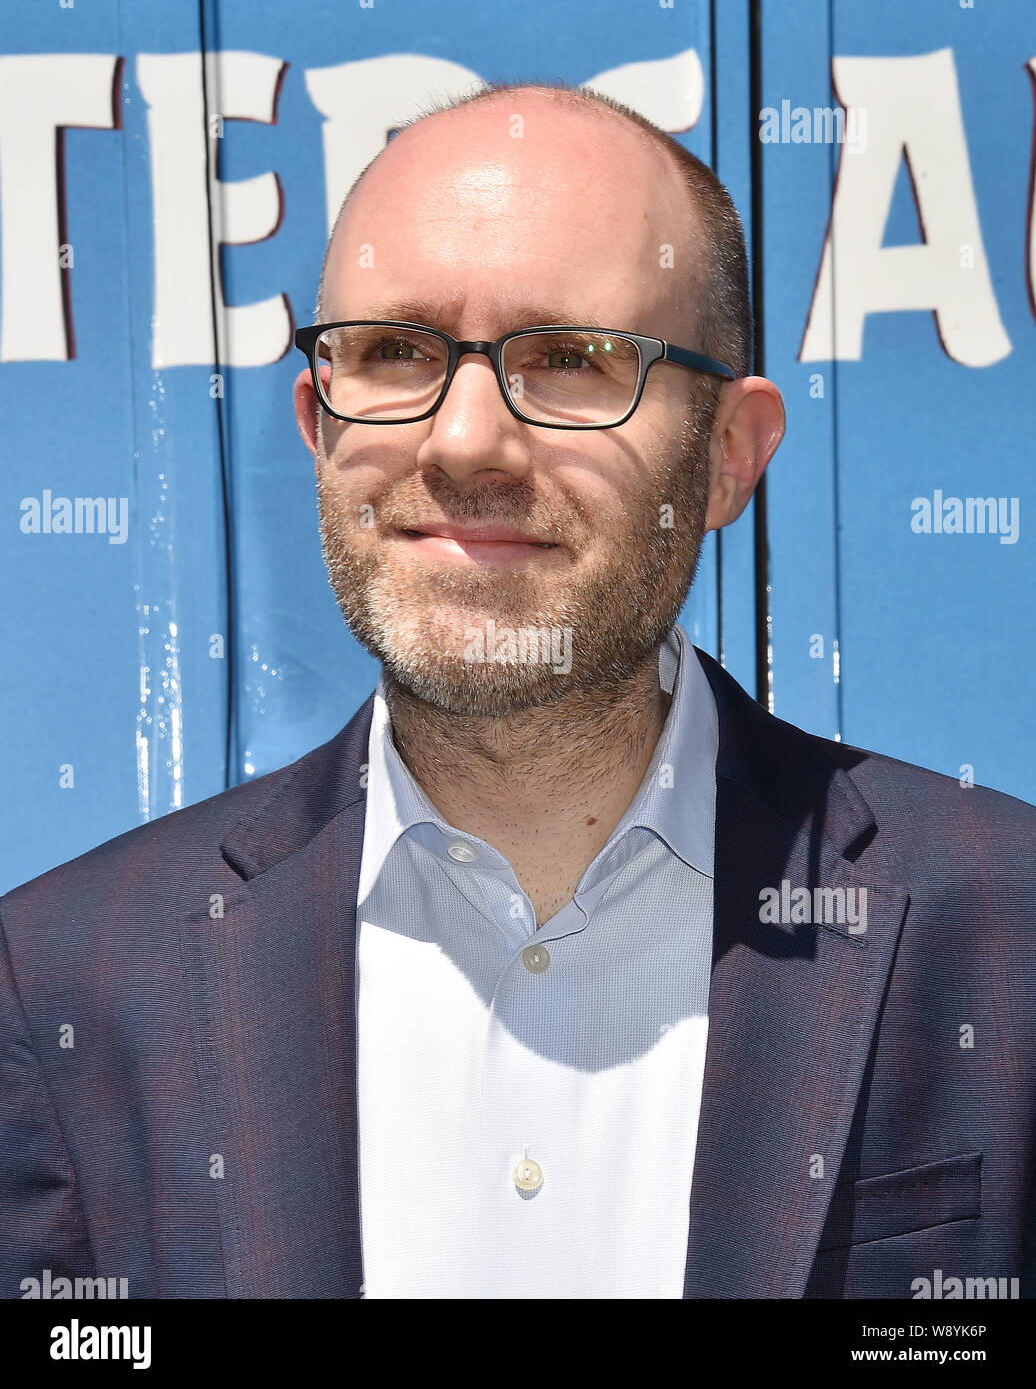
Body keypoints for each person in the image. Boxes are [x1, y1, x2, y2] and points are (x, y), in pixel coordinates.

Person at [1, 80, 1033, 1301]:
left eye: (572, 360)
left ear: (729, 456)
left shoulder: (1004, 935)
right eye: (392, 353)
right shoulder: (67, 981)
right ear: (319, 428)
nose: (465, 443)